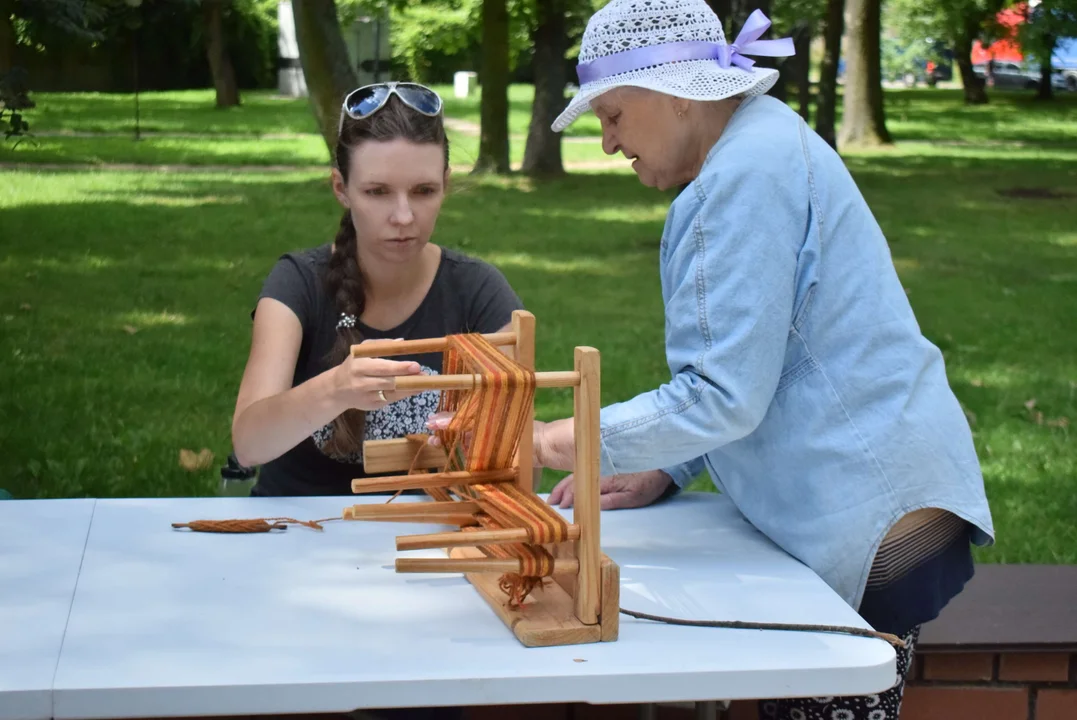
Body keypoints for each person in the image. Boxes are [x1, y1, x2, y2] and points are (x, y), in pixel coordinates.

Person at [497, 1, 995, 718]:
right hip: (886, 498)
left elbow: (720, 395)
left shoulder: (740, 178)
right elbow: (766, 359)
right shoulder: (764, 145)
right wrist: (667, 464)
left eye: (610, 116)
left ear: (672, 92)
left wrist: (556, 442)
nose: (607, 143)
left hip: (869, 523)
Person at [232, 82, 524, 500]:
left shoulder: (479, 290)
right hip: (297, 530)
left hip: (436, 534)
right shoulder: (296, 283)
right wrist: (336, 390)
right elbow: (248, 444)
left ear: (446, 184)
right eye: (377, 192)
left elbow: (519, 453)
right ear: (341, 189)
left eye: (424, 191)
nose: (403, 216)